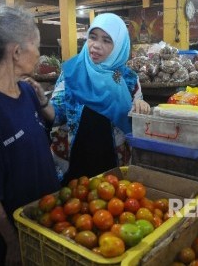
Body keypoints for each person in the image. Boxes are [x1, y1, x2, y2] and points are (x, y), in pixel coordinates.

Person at [0, 4, 60, 266]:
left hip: (45, 220)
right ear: (17, 52)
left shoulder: (28, 92)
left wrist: (43, 102)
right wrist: (12, 241)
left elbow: (39, 139)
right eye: (37, 46)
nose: (40, 54)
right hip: (16, 233)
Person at [41, 13, 150, 185]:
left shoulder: (129, 79)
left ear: (120, 45)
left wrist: (141, 106)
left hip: (113, 161)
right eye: (93, 37)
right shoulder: (72, 72)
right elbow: (57, 113)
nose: (96, 46)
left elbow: (137, 123)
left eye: (106, 40)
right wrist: (42, 102)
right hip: (74, 160)